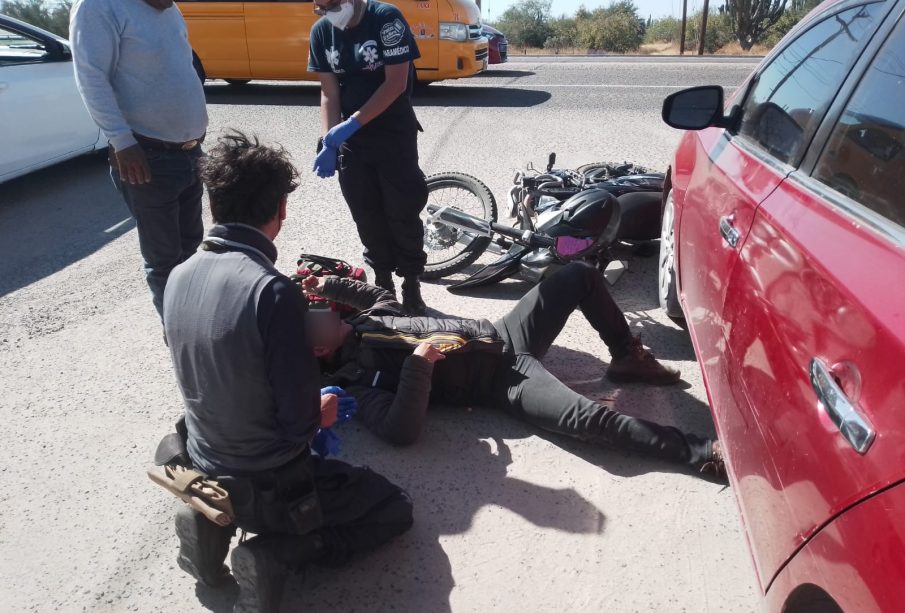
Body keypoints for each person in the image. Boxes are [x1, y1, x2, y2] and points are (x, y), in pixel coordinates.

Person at [162, 133, 413, 613]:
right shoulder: (272, 292)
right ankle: (279, 553)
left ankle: (209, 523)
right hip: (269, 479)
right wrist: (322, 408)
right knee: (392, 507)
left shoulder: (178, 274)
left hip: (203, 454)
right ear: (281, 208)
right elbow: (298, 424)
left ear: (214, 204)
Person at [303, 262, 725, 476]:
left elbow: (376, 294)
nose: (319, 309)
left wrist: (328, 285)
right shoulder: (355, 384)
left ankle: (627, 357)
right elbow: (400, 431)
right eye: (313, 315)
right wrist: (418, 365)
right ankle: (699, 452)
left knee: (578, 275)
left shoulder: (364, 321)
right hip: (501, 382)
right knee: (589, 418)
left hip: (504, 333)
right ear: (321, 348)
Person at [70, 0, 207, 319]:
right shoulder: (98, 7)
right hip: (147, 158)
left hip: (190, 153)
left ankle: (196, 329)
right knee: (166, 261)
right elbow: (91, 78)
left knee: (192, 250)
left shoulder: (168, 9)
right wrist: (121, 140)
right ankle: (181, 342)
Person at [307, 0, 430, 315]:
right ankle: (383, 286)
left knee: (402, 213)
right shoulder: (322, 32)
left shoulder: (385, 20)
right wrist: (330, 139)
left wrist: (350, 125)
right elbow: (329, 93)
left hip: (394, 136)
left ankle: (412, 286)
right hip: (353, 144)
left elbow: (395, 84)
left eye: (332, 6)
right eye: (321, 8)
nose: (327, 14)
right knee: (367, 215)